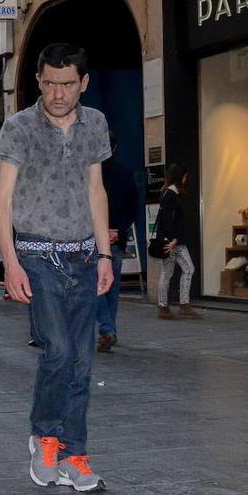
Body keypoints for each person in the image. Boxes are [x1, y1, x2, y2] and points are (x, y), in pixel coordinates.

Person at [0, 42, 113, 492]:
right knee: (59, 351)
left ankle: (74, 454)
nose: (58, 93)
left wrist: (104, 255)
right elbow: (2, 200)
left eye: (67, 84)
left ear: (82, 82)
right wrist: (10, 262)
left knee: (82, 362)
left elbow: (95, 191)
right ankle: (44, 437)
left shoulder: (95, 123)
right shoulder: (19, 127)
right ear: (39, 81)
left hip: (84, 255)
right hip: (37, 254)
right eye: (49, 83)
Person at [96, 137, 139, 351]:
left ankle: (106, 329)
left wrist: (102, 230)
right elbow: (133, 208)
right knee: (111, 286)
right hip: (117, 238)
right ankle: (110, 328)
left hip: (95, 238)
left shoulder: (91, 173)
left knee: (94, 284)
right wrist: (118, 230)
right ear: (115, 146)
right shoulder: (125, 173)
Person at [156, 163, 200, 320]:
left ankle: (168, 306)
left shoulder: (168, 193)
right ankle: (176, 306)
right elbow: (168, 220)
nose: (186, 178)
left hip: (173, 241)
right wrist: (174, 239)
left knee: (170, 272)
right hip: (173, 242)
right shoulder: (171, 195)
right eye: (185, 175)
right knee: (185, 269)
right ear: (180, 176)